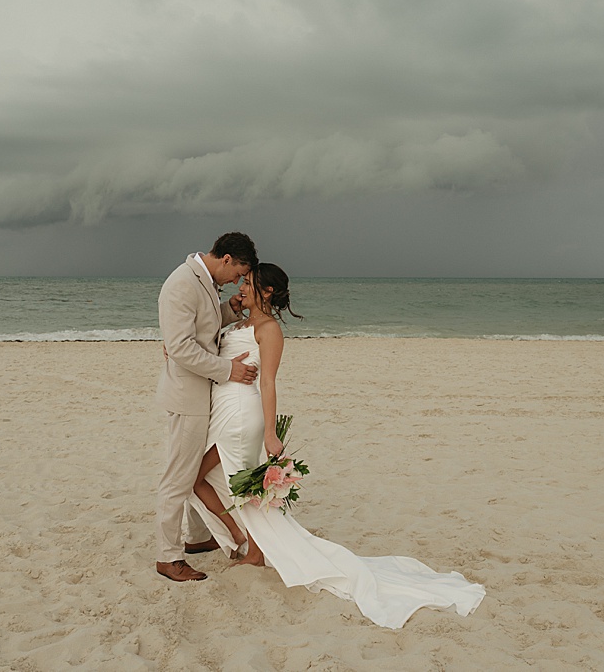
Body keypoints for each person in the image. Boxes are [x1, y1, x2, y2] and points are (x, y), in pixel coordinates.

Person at [185, 263, 486, 629]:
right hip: (221, 410)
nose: (241, 287)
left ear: (267, 292)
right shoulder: (238, 324)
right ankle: (244, 539)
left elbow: (268, 383)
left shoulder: (269, 329)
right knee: (210, 481)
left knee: (223, 482)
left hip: (240, 415)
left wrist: (270, 433)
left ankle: (252, 547)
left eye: (248, 283)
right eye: (243, 281)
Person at [153, 232, 260, 582]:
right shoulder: (182, 283)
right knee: (178, 478)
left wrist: (230, 310)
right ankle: (168, 558)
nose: (237, 282)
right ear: (226, 259)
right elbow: (181, 347)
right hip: (187, 397)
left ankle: (199, 537)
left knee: (194, 470)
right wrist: (229, 370)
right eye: (238, 273)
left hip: (203, 395)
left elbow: (204, 328)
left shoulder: (205, 281)